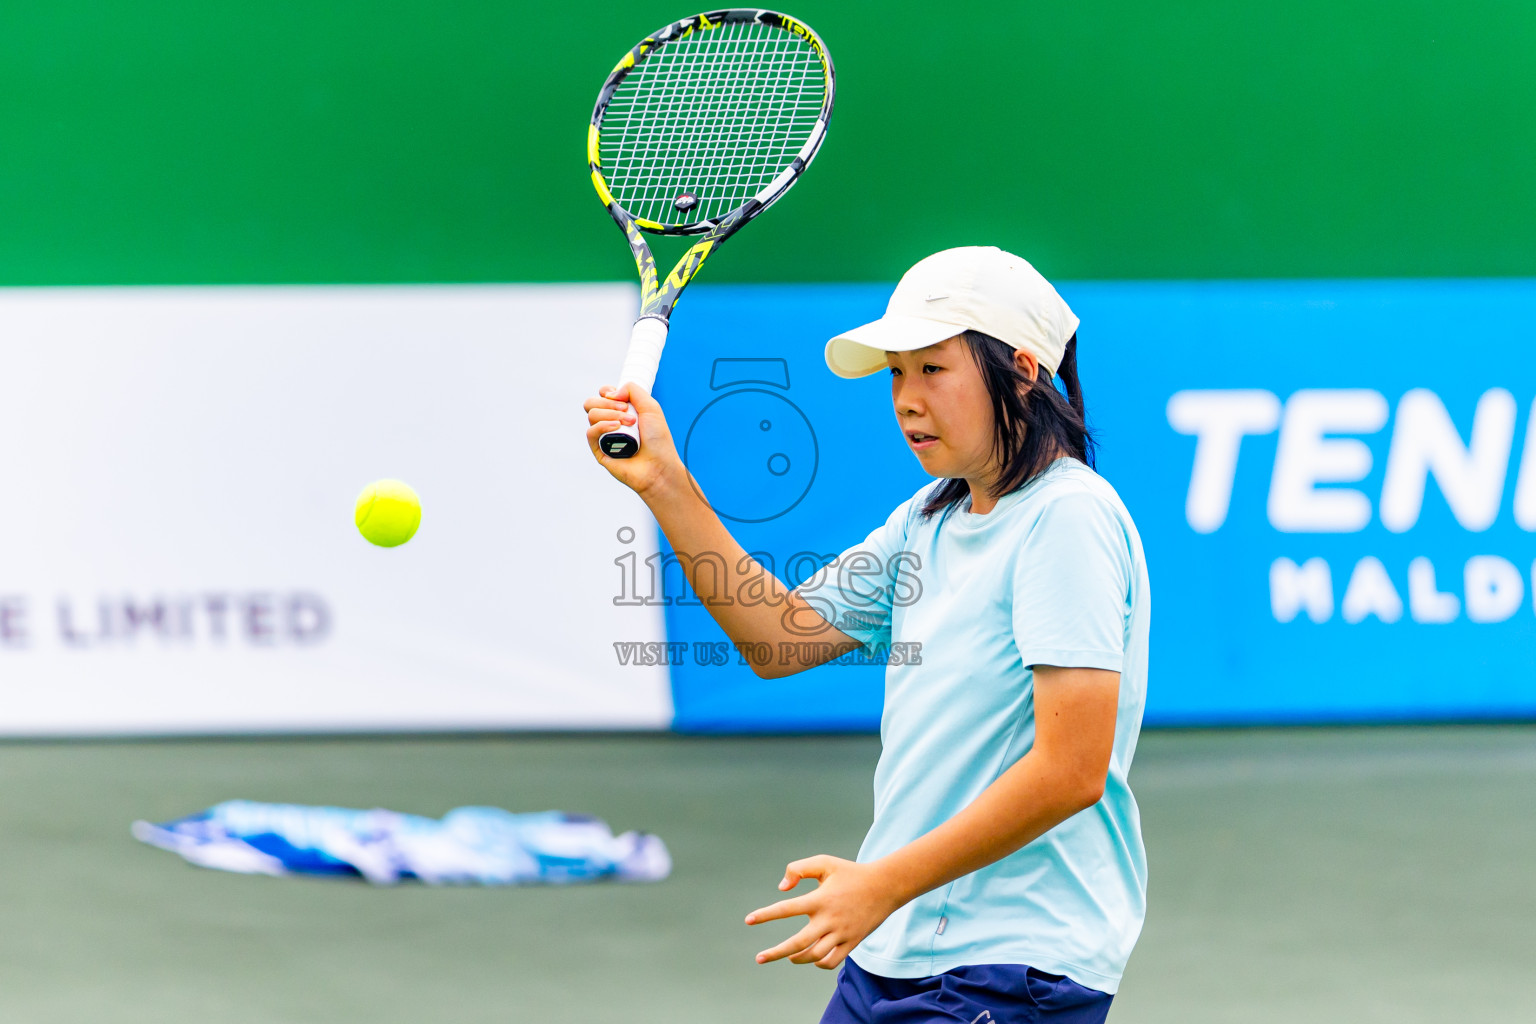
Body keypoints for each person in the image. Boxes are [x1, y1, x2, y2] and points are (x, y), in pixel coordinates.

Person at [583, 245, 1150, 1023]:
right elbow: (779, 638)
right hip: (895, 954)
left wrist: (878, 882)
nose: (906, 400)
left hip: (1012, 963)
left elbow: (1072, 770)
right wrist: (665, 480)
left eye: (932, 369)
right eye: (896, 373)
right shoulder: (927, 521)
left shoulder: (1068, 518)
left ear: (1021, 371)